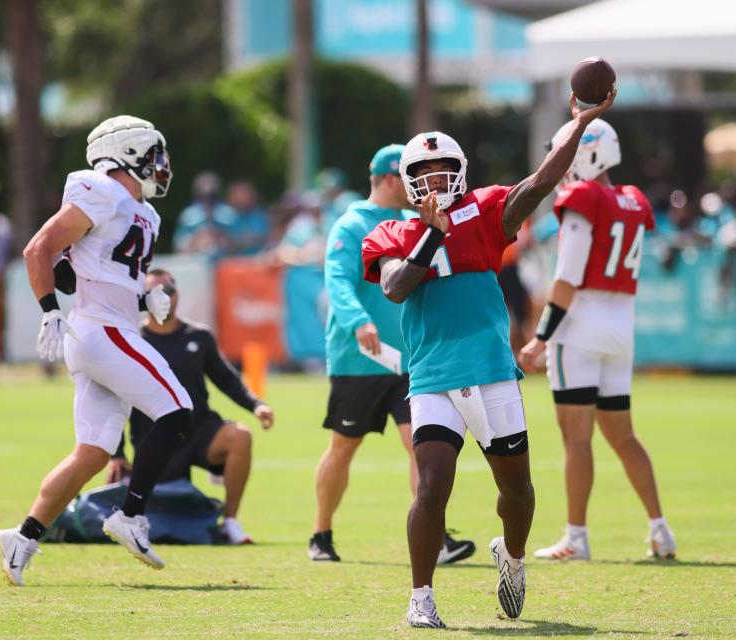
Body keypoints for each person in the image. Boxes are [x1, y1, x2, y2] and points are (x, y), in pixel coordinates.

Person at [361, 92, 615, 628]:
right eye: (423, 173)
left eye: (443, 171)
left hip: (491, 369)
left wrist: (582, 121)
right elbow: (396, 288)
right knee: (432, 485)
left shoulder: (486, 209)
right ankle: (422, 598)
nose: (433, 181)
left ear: (460, 173)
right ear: (407, 181)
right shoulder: (391, 232)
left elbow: (542, 181)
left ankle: (514, 558)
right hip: (432, 376)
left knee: (517, 492)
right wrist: (433, 233)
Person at [0, 115, 193, 585]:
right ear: (127, 153)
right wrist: (49, 308)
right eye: (154, 155)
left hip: (107, 329)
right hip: (102, 331)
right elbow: (40, 250)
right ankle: (131, 515)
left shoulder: (143, 211)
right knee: (178, 411)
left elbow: (102, 269)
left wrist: (148, 297)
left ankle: (22, 538)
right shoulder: (99, 189)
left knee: (93, 453)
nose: (162, 165)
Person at [517, 118, 677, 563]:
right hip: (620, 326)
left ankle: (576, 536)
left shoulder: (582, 198)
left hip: (580, 327)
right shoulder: (631, 199)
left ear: (587, 153)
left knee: (577, 439)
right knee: (623, 436)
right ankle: (660, 530)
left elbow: (567, 277)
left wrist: (539, 338)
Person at [310, 144, 475, 565]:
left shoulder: (413, 221)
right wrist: (358, 321)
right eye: (411, 174)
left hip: (408, 358)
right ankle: (321, 534)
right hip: (358, 357)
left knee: (419, 445)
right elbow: (338, 283)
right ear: (388, 179)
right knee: (343, 446)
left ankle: (436, 538)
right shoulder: (350, 224)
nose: (425, 184)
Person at [106, 268, 275, 544]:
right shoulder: (131, 340)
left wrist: (256, 405)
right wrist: (117, 453)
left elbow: (226, 379)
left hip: (199, 430)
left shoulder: (199, 336)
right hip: (154, 437)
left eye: (169, 291)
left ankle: (229, 522)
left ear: (178, 295)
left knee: (240, 437)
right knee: (135, 503)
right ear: (142, 298)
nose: (164, 298)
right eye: (153, 292)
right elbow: (114, 398)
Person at [173, 171, 238, 256]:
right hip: (194, 262)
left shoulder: (229, 214)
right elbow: (178, 247)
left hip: (224, 263)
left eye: (212, 196)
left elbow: (239, 244)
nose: (208, 202)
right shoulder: (187, 215)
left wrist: (220, 237)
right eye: (203, 196)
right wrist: (196, 239)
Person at [225, 179, 270, 256]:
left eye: (243, 193)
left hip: (257, 260)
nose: (240, 198)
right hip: (233, 261)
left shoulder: (260, 217)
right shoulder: (226, 217)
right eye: (237, 194)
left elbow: (265, 238)